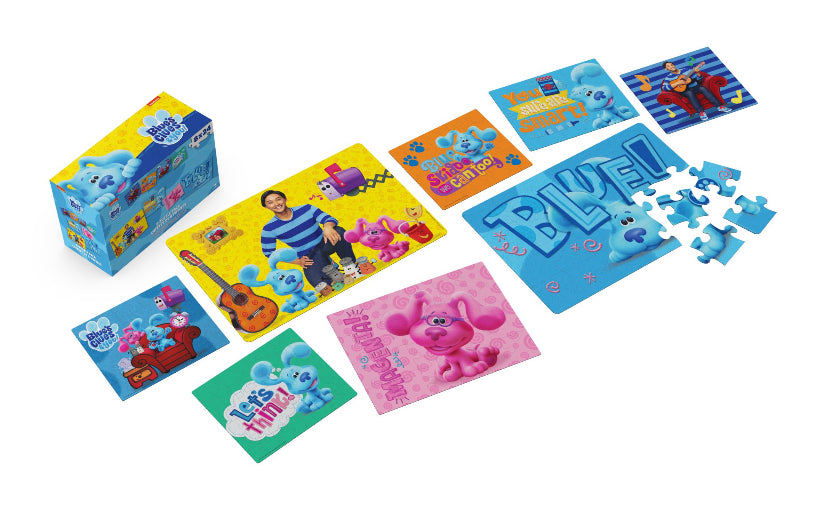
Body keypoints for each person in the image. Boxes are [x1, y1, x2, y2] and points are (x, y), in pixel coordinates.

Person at [259, 190, 355, 287]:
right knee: (323, 287)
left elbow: (328, 218)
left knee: (339, 231)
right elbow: (269, 253)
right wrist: (297, 261)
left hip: (325, 242)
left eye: (278, 199)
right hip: (308, 256)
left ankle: (351, 265)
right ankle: (330, 266)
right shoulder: (268, 229)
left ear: (285, 199)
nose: (276, 204)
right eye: (270, 202)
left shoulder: (306, 208)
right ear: (266, 207)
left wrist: (328, 226)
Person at [661, 61, 731, 121]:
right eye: (668, 66)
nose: (671, 66)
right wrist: (677, 83)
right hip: (684, 91)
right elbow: (665, 88)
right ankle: (701, 112)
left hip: (694, 86)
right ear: (666, 69)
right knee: (689, 93)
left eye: (672, 65)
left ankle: (719, 106)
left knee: (702, 88)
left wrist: (698, 73)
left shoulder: (686, 70)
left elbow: (699, 79)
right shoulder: (668, 77)